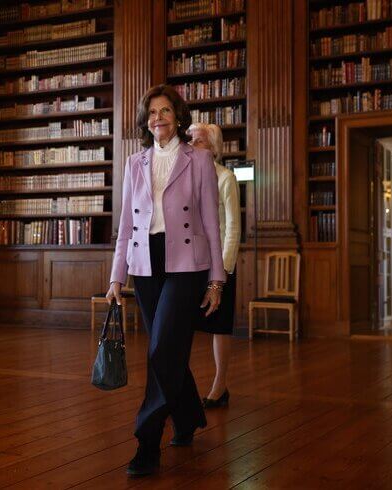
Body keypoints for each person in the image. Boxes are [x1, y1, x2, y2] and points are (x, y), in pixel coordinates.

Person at [106, 84, 225, 477]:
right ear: (146, 121)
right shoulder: (133, 163)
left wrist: (216, 280)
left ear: (178, 117)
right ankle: (189, 417)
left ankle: (147, 442)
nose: (159, 118)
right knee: (168, 349)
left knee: (159, 350)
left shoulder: (200, 160)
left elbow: (212, 221)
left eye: (166, 111)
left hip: (187, 263)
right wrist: (115, 278)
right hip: (145, 264)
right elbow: (125, 225)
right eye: (152, 112)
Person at [188, 123, 241, 409]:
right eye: (191, 140)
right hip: (191, 262)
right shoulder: (186, 177)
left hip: (219, 264)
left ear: (212, 148)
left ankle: (220, 386)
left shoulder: (225, 178)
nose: (191, 145)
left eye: (197, 141)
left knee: (220, 326)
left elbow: (232, 227)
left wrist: (225, 270)